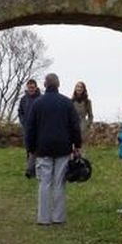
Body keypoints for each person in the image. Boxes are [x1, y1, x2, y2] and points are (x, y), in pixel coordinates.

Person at [26, 73, 82, 226]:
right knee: (59, 183)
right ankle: (58, 217)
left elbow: (30, 128)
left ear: (45, 85)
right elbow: (75, 127)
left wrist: (30, 148)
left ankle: (43, 218)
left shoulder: (37, 104)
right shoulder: (66, 103)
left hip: (42, 148)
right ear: (58, 84)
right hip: (63, 148)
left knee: (44, 183)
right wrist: (77, 146)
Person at [18, 78, 41, 178]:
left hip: (39, 128)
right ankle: (30, 169)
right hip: (27, 128)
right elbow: (20, 112)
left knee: (38, 149)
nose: (31, 89)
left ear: (36, 87)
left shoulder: (41, 98)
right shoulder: (23, 99)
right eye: (29, 87)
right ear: (27, 88)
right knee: (29, 148)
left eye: (32, 87)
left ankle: (35, 169)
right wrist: (23, 122)